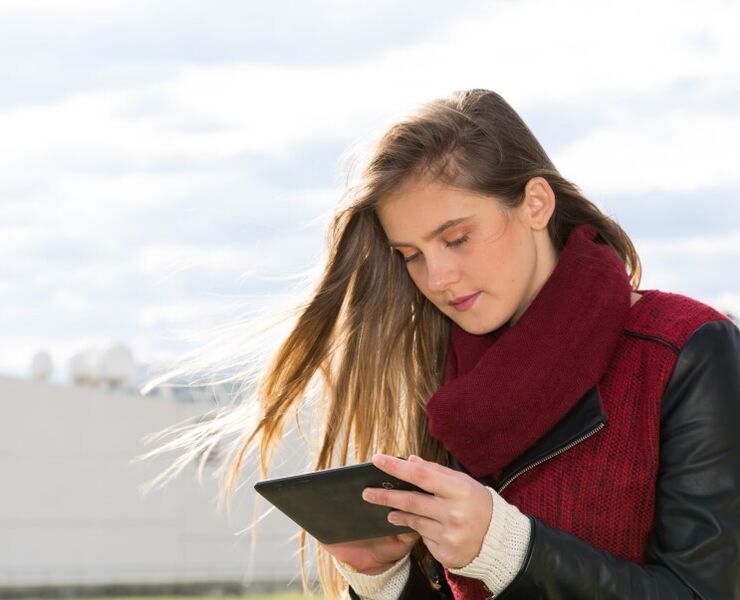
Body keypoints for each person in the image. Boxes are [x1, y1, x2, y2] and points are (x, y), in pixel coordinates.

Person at [164, 89, 740, 598]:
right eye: (410, 255)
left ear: (536, 203)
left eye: (457, 238)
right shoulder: (441, 382)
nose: (436, 278)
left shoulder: (685, 350)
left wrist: (512, 548)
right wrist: (383, 583)